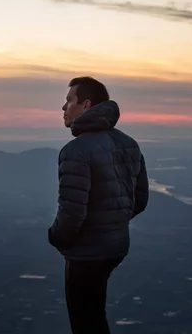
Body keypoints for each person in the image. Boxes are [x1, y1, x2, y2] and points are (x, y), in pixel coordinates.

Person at [48, 76, 149, 334]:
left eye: (69, 100)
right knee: (94, 315)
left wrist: (57, 238)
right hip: (116, 246)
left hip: (87, 251)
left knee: (85, 322)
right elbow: (140, 200)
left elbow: (72, 212)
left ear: (86, 104)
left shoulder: (76, 150)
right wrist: (113, 224)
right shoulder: (129, 143)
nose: (63, 107)